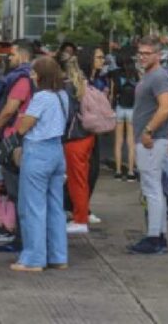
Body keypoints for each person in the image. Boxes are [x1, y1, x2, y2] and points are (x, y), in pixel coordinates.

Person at [11, 56, 69, 272]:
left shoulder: (41, 97)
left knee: (32, 206)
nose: (32, 76)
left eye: (35, 73)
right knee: (55, 206)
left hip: (38, 151)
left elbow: (25, 125)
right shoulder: (62, 95)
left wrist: (21, 119)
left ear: (42, 75)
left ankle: (34, 258)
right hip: (57, 151)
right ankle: (58, 255)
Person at [128, 35, 168, 255]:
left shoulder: (158, 77)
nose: (142, 56)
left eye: (147, 53)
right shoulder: (150, 76)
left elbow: (166, 108)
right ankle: (158, 235)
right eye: (140, 53)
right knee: (153, 187)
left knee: (152, 188)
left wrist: (148, 131)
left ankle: (154, 237)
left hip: (151, 140)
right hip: (148, 140)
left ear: (158, 54)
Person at [0, 39, 35, 253]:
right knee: (17, 191)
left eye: (13, 54)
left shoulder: (21, 79)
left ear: (23, 55)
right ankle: (21, 237)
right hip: (20, 138)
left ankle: (21, 239)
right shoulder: (28, 77)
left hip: (14, 140)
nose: (9, 57)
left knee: (17, 191)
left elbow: (10, 108)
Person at [59, 55, 94, 234]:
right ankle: (82, 214)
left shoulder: (67, 87)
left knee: (76, 181)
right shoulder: (84, 84)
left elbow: (66, 115)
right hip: (88, 135)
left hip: (74, 139)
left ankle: (80, 219)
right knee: (82, 180)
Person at [77, 46, 105, 224]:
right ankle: (81, 209)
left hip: (94, 130)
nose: (102, 61)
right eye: (99, 57)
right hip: (82, 131)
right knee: (85, 172)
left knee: (93, 170)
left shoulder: (98, 80)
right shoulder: (81, 81)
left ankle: (82, 207)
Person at [111, 48, 140, 181]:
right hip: (132, 109)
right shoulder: (135, 74)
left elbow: (112, 93)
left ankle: (117, 171)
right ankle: (130, 172)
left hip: (119, 108)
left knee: (118, 142)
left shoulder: (115, 74)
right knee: (131, 141)